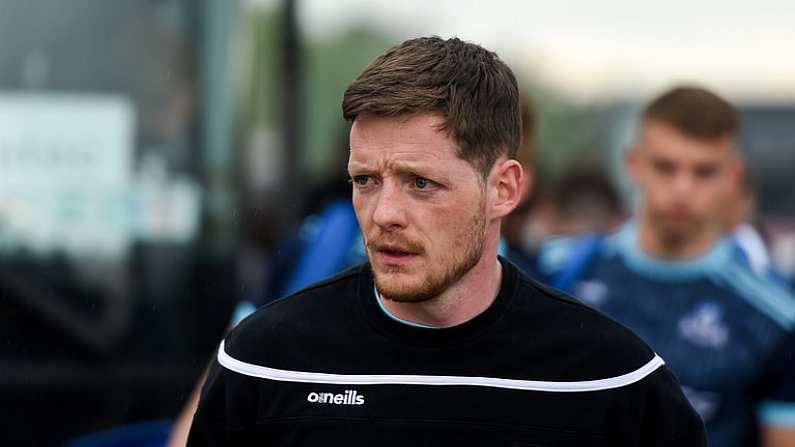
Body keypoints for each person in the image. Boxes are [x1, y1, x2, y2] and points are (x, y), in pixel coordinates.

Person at [187, 36, 705, 446]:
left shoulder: (612, 381)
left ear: (503, 189)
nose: (385, 214)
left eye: (421, 183)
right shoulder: (265, 360)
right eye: (365, 180)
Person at [542, 86, 795, 447]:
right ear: (634, 165)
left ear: (733, 177)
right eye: (665, 167)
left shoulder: (777, 315)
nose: (682, 188)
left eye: (704, 171)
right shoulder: (556, 271)